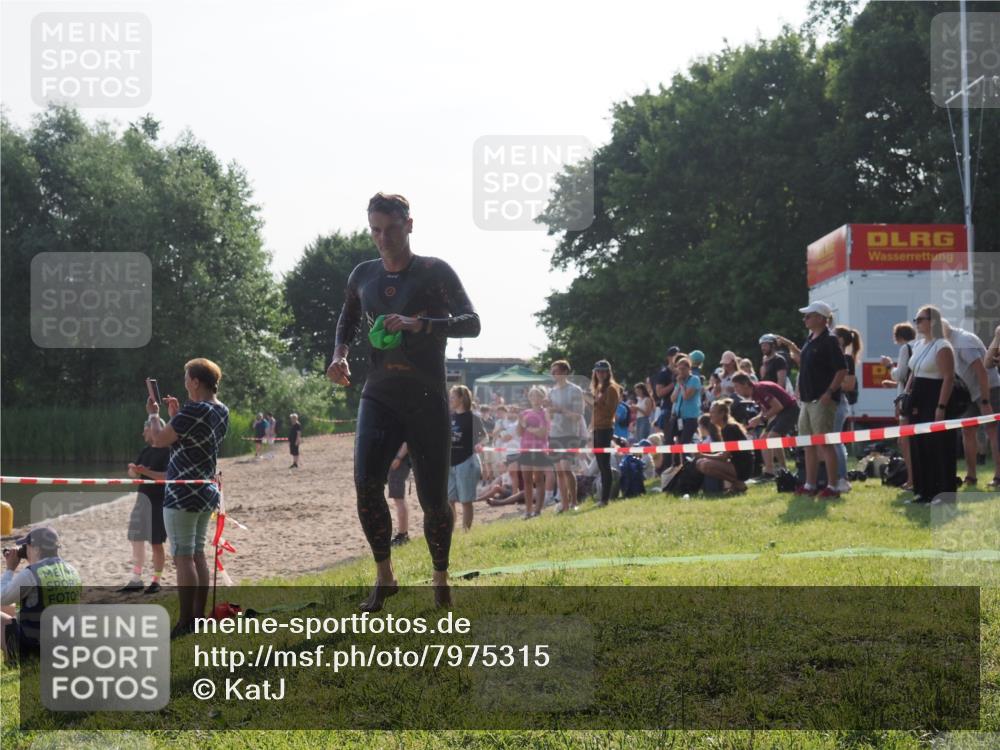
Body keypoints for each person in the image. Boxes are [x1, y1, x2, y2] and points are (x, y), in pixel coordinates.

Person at [326, 192, 480, 611]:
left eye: (391, 229)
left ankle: (440, 578)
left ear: (409, 225)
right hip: (378, 394)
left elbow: (473, 323)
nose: (383, 238)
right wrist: (339, 355)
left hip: (427, 396)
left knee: (433, 500)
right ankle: (385, 576)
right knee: (366, 486)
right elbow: (348, 316)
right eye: (375, 230)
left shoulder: (434, 272)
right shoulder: (362, 274)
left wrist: (420, 324)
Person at [147, 358, 229, 638]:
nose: (184, 383)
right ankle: (198, 615)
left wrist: (154, 415)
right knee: (198, 554)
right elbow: (192, 440)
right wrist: (176, 416)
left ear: (195, 381)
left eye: (186, 378)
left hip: (182, 494)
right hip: (206, 492)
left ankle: (186, 622)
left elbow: (158, 439)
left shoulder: (194, 410)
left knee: (183, 556)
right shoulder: (221, 410)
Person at [902, 305, 957, 504]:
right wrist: (905, 395)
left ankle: (944, 493)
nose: (916, 323)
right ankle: (923, 491)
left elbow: (948, 377)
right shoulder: (918, 345)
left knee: (939, 447)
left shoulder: (942, 345)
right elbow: (913, 373)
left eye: (920, 319)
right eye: (915, 319)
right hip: (918, 399)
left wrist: (941, 407)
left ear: (932, 321)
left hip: (935, 398)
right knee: (919, 446)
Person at [2, 526, 81, 663]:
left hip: (36, 647)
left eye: (27, 547)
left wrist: (9, 569)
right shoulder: (72, 570)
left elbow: (1, 597)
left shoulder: (32, 573)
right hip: (64, 645)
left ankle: (15, 658)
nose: (25, 550)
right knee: (8, 608)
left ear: (36, 549)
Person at [793, 301, 847, 499]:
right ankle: (810, 484)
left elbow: (842, 370)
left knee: (824, 443)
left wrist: (829, 392)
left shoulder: (830, 340)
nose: (805, 319)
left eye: (808, 315)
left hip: (822, 400)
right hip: (807, 401)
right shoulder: (810, 339)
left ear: (821, 318)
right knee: (808, 444)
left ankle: (833, 486)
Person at [119, 415, 170, 594]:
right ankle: (136, 578)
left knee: (156, 542)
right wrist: (133, 470)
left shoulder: (168, 451)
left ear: (154, 429)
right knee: (135, 538)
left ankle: (156, 580)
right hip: (141, 500)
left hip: (159, 503)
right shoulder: (146, 451)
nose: (143, 433)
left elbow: (166, 477)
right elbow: (134, 475)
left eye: (145, 430)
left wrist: (145, 471)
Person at [946, 324, 1000, 486]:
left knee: (993, 431)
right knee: (967, 431)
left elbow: (983, 369)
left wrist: (984, 400)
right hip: (970, 392)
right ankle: (971, 476)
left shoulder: (964, 341)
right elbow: (989, 361)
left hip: (989, 389)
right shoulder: (946, 343)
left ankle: (998, 476)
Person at [733, 373, 799, 478]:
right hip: (782, 412)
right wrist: (757, 418)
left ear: (745, 384)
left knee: (772, 437)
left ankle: (775, 471)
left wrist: (761, 419)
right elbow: (766, 409)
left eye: (737, 386)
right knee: (763, 439)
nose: (735, 391)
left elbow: (778, 406)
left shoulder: (760, 389)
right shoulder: (755, 392)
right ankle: (777, 470)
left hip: (790, 410)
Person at [544, 360, 586, 514]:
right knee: (559, 471)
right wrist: (547, 408)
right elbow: (549, 415)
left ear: (565, 372)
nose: (553, 374)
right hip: (554, 434)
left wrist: (560, 409)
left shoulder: (575, 390)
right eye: (552, 371)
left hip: (570, 433)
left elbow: (577, 415)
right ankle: (565, 503)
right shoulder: (551, 392)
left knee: (566, 469)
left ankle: (574, 502)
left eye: (556, 371)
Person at [881, 322, 917, 490]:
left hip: (907, 402)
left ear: (898, 337)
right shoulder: (920, 345)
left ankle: (911, 480)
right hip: (920, 399)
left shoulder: (905, 348)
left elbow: (900, 374)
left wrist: (889, 365)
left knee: (905, 441)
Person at [693, 399, 752, 494]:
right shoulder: (725, 428)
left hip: (742, 467)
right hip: (737, 464)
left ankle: (737, 483)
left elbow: (724, 457)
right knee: (701, 463)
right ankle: (736, 484)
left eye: (713, 412)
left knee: (704, 464)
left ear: (722, 414)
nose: (710, 415)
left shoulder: (729, 428)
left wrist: (702, 455)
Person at [831, 326, 863, 494]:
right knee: (833, 441)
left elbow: (849, 385)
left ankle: (842, 478)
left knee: (835, 441)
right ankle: (833, 476)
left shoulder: (846, 359)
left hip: (839, 403)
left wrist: (830, 384)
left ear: (841, 340)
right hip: (832, 403)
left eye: (833, 336)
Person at [449, 385, 485, 530]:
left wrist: (480, 445)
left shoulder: (473, 418)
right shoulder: (449, 417)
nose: (450, 400)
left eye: (453, 397)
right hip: (450, 463)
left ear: (461, 398)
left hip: (466, 462)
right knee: (449, 500)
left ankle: (466, 531)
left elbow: (484, 437)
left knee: (465, 500)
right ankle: (450, 531)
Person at [589, 360, 624, 508]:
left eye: (603, 371)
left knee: (605, 465)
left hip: (606, 428)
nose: (600, 374)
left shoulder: (611, 388)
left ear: (608, 372)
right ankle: (603, 497)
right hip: (597, 428)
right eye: (598, 371)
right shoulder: (599, 388)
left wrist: (595, 402)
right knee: (601, 464)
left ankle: (605, 499)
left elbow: (610, 411)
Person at [518, 386, 550, 518]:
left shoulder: (545, 413)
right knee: (526, 480)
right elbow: (519, 432)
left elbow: (543, 433)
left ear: (543, 398)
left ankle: (538, 510)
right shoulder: (524, 413)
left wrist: (528, 427)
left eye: (538, 396)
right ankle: (528, 510)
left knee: (538, 479)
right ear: (529, 398)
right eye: (533, 396)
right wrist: (521, 424)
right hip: (525, 448)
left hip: (539, 449)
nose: (535, 399)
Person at [670, 356, 703, 454]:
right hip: (679, 417)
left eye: (683, 369)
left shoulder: (694, 379)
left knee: (685, 442)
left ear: (689, 368)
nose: (681, 371)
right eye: (679, 369)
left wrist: (681, 385)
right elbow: (673, 399)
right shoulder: (680, 381)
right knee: (677, 441)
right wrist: (678, 386)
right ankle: (678, 463)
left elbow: (686, 396)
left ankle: (687, 463)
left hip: (690, 417)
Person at [387, 443, 412, 546]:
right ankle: (403, 533)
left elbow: (407, 441)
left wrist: (398, 457)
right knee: (398, 500)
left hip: (400, 462)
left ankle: (403, 535)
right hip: (399, 461)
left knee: (399, 499)